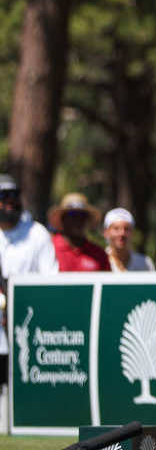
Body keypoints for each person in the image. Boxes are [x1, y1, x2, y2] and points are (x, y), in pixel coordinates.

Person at [0, 174, 58, 416]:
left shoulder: (37, 234)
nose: (10, 201)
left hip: (27, 331)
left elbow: (51, 282)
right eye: (3, 196)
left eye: (14, 195)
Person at [48, 193, 110, 272]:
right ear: (63, 219)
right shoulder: (49, 249)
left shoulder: (99, 254)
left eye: (83, 215)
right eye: (72, 214)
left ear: (88, 220)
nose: (78, 220)